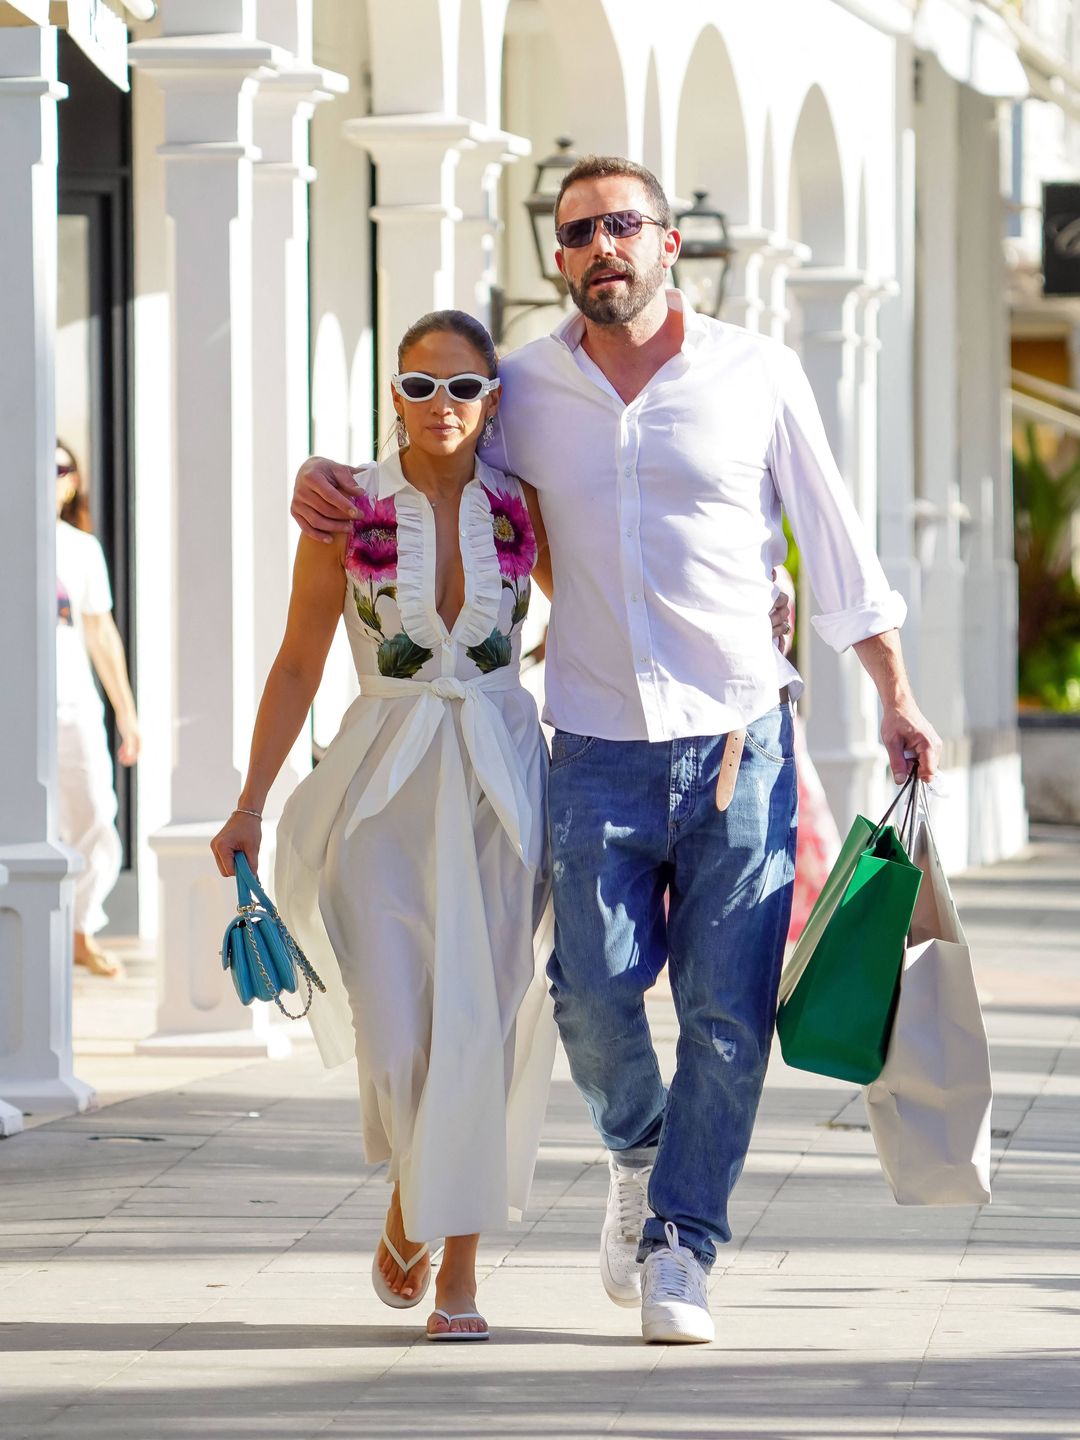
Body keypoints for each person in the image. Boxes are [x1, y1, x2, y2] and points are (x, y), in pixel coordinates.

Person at [290, 156, 942, 1346]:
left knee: (728, 1014)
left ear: (670, 239)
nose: (602, 247)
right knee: (588, 994)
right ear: (558, 257)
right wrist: (324, 480)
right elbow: (444, 465)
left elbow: (838, 552)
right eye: (578, 230)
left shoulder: (759, 372)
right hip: (590, 739)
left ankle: (681, 1246)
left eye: (622, 225)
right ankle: (639, 1149)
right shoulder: (528, 387)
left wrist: (894, 695)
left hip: (742, 736)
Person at [212, 311, 559, 1342]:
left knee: (484, 1024)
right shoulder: (345, 509)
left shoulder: (526, 504)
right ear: (392, 397)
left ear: (493, 399)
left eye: (461, 388)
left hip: (501, 780)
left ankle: (457, 1269)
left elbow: (609, 601)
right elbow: (295, 663)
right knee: (398, 1028)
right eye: (418, 387)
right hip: (379, 787)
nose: (440, 407)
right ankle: (413, 1189)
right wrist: (247, 802)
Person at [56, 443, 140, 978]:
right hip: (15, 716)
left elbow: (101, 633)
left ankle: (79, 930)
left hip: (74, 707)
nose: (48, 474)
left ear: (72, 483)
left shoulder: (82, 549)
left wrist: (126, 715)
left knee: (94, 816)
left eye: (60, 467)